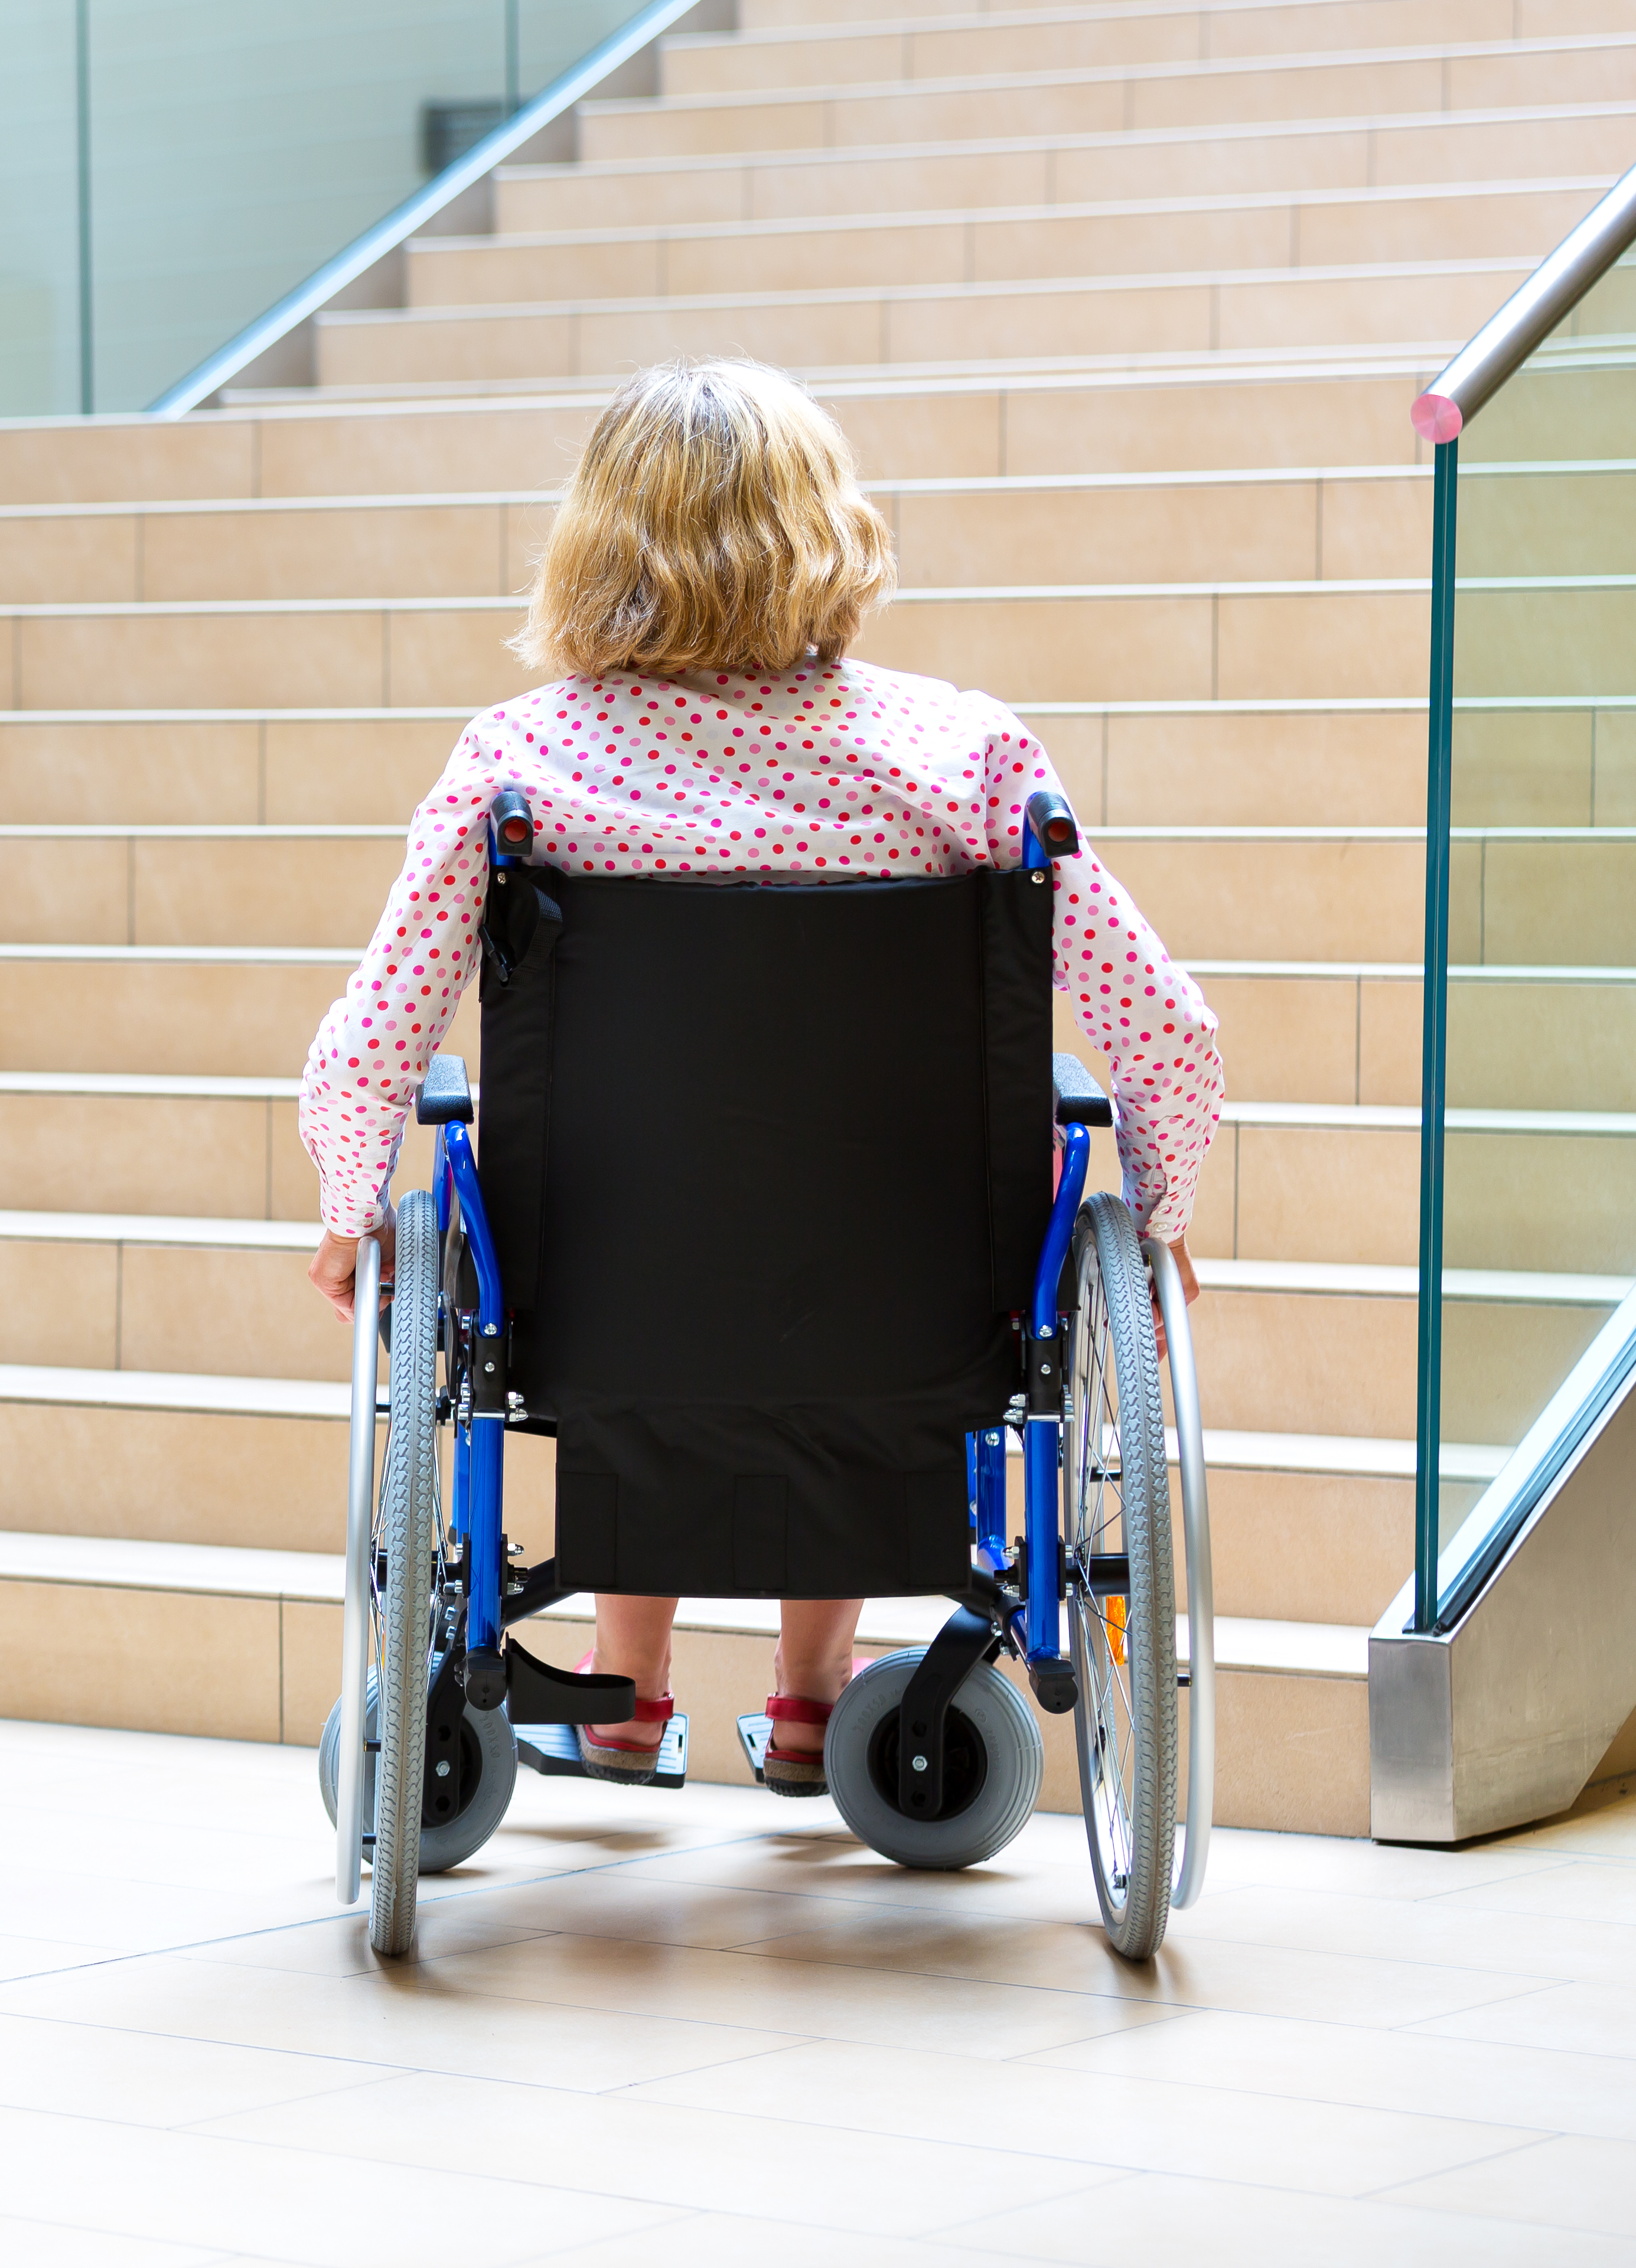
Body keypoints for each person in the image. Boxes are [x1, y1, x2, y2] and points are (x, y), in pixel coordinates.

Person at [295, 358, 1224, 1794]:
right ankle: (809, 1703)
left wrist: (351, 1200)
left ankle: (623, 1696)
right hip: (914, 1313)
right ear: (831, 533)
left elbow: (378, 1034)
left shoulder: (522, 765)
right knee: (841, 1265)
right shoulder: (963, 756)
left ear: (601, 544)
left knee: (649, 1274)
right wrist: (1158, 1209)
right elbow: (1163, 1029)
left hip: (603, 1311)